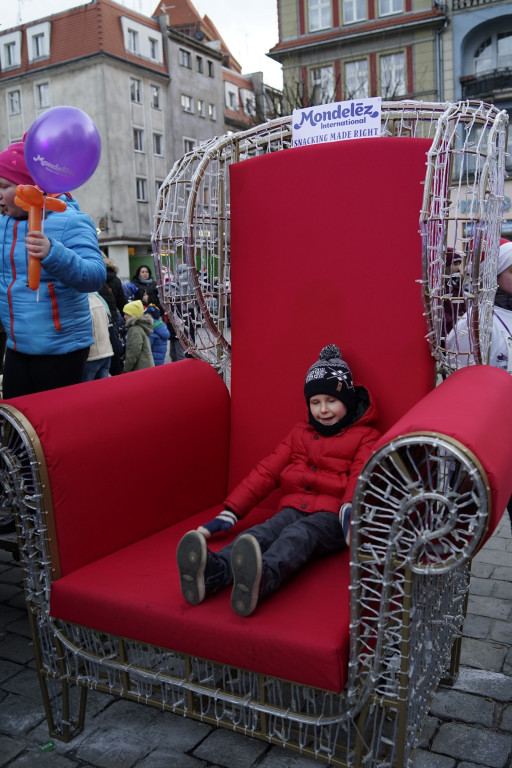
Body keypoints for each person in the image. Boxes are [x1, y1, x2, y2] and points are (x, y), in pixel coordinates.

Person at [176, 344, 380, 617]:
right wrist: (231, 511)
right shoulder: (300, 433)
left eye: (332, 401)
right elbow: (267, 471)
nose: (323, 410)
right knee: (263, 532)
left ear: (349, 401)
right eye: (315, 402)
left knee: (298, 536)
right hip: (292, 507)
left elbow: (360, 476)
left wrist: (349, 514)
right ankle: (215, 571)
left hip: (332, 517)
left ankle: (262, 579)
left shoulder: (367, 436)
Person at [0, 139, 106, 398]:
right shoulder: (3, 224)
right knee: (18, 422)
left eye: (3, 186)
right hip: (17, 344)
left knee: (54, 425)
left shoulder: (72, 221)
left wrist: (53, 253)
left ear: (29, 188)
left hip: (61, 348)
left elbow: (95, 276)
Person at [447, 238, 512, 526]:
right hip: (481, 440)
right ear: (496, 275)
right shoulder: (478, 322)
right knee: (460, 520)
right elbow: (458, 377)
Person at [83, 292, 114, 381]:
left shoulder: (83, 303)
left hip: (92, 355)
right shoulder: (99, 299)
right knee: (103, 391)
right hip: (107, 352)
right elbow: (108, 323)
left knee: (87, 391)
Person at [122, 300, 155, 372]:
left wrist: (126, 369)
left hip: (140, 368)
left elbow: (133, 352)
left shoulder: (134, 330)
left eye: (126, 314)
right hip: (146, 366)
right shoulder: (140, 327)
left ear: (132, 315)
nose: (124, 317)